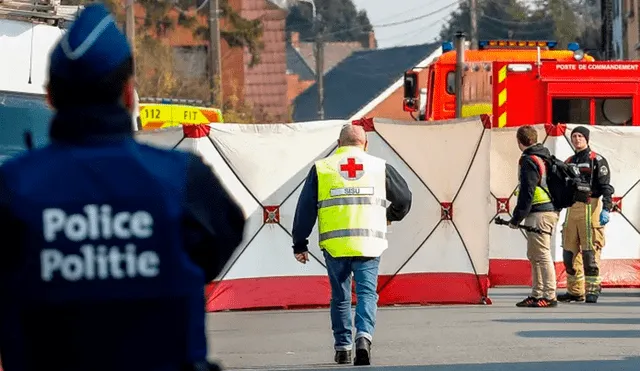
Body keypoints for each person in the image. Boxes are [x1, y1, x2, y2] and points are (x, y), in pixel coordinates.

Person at [0, 4, 245, 371]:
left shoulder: (13, 187)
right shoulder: (184, 180)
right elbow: (219, 243)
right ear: (129, 94)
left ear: (51, 97)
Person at [291, 124, 412, 366]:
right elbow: (405, 198)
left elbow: (305, 208)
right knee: (367, 293)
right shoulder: (379, 167)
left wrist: (299, 243)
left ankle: (343, 347)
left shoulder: (322, 168)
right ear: (365, 144)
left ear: (338, 143)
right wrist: (391, 215)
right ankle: (364, 338)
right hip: (369, 243)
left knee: (340, 296)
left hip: (335, 244)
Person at [557, 126, 613, 304]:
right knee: (569, 253)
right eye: (574, 136)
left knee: (590, 254)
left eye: (580, 136)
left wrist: (606, 208)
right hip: (572, 209)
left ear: (587, 139)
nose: (577, 139)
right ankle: (575, 291)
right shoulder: (569, 161)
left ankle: (592, 290)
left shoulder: (596, 160)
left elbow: (606, 187)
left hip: (592, 206)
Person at [509, 125, 560, 308]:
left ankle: (549, 294)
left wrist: (516, 218)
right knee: (534, 254)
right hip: (547, 210)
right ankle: (537, 293)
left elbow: (527, 191)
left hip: (540, 212)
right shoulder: (544, 156)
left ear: (519, 141)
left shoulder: (529, 160)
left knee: (542, 254)